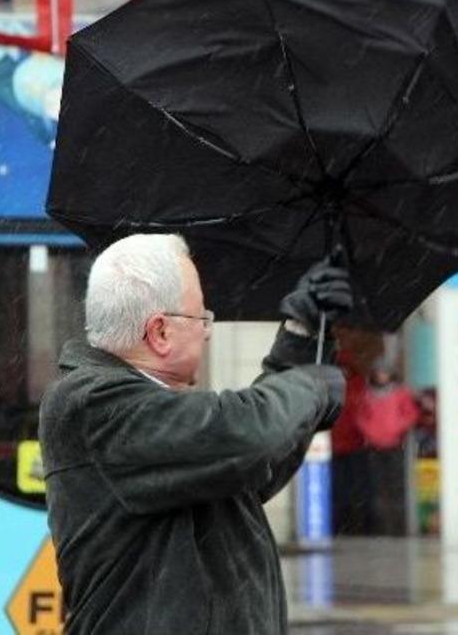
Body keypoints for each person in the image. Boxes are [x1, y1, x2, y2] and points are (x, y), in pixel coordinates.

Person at [39, 233, 352, 634]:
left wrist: (303, 335)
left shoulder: (153, 410)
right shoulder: (92, 403)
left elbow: (253, 465)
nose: (207, 331)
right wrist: (312, 384)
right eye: (201, 318)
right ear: (160, 332)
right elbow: (248, 438)